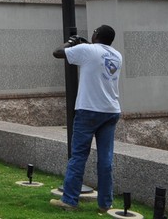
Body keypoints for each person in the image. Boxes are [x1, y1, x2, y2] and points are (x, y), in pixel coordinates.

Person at [50, 25, 123, 212]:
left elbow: (57, 53)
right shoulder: (117, 55)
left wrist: (72, 42)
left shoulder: (87, 50)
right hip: (111, 111)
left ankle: (69, 200)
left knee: (79, 156)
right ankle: (105, 204)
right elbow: (97, 55)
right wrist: (86, 44)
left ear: (96, 35)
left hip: (89, 110)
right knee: (106, 159)